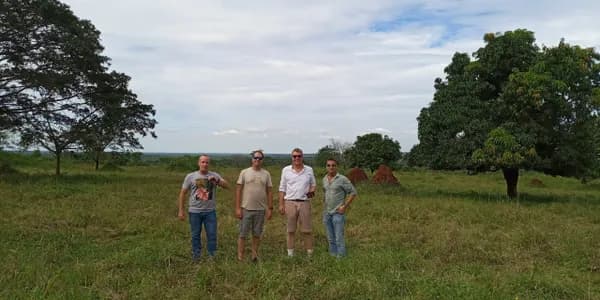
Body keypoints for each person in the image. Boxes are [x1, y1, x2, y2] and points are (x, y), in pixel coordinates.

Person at [178, 154, 229, 261]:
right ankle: (196, 256)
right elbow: (183, 193)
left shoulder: (214, 175)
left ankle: (212, 256)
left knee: (212, 235)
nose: (205, 164)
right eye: (203, 162)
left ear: (209, 164)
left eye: (207, 162)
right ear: (198, 163)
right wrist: (181, 211)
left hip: (210, 211)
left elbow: (227, 186)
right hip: (194, 211)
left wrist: (217, 181)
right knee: (195, 235)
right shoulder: (190, 176)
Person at [235, 150, 273, 262]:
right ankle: (240, 256)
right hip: (246, 208)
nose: (257, 160)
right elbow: (238, 190)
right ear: (252, 159)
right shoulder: (244, 172)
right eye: (255, 157)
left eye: (260, 158)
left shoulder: (266, 174)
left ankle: (254, 255)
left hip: (260, 209)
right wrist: (237, 208)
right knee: (243, 234)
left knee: (257, 234)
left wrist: (270, 208)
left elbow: (270, 191)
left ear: (262, 160)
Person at [278, 148, 316, 257]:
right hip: (290, 201)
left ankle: (310, 255)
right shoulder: (286, 170)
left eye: (299, 156)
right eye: (294, 156)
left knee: (307, 230)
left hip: (304, 202)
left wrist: (312, 190)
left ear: (302, 157)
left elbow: (313, 184)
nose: (297, 158)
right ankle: (290, 255)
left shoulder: (309, 170)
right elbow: (282, 188)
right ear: (292, 158)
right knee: (290, 230)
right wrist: (281, 204)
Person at [322, 158, 357, 258]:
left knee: (338, 237)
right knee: (330, 237)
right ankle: (333, 255)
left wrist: (344, 206)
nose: (331, 167)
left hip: (338, 212)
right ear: (326, 167)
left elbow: (353, 192)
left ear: (337, 166)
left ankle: (341, 257)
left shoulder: (342, 179)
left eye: (333, 165)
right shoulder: (324, 179)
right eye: (328, 165)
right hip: (327, 212)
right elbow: (325, 193)